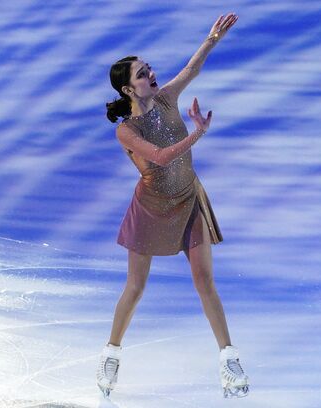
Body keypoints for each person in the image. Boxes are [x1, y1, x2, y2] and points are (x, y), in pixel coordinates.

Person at [96, 12, 249, 400]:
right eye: (142, 74)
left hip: (189, 200)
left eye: (148, 68)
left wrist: (212, 37)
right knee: (136, 287)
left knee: (205, 281)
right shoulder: (126, 130)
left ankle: (228, 359)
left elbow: (192, 69)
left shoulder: (166, 98)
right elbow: (161, 157)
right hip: (151, 208)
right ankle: (111, 354)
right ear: (130, 90)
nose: (151, 75)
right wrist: (198, 132)